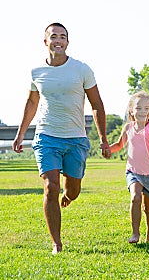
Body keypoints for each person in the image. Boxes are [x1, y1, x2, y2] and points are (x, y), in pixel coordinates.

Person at [12, 23, 110, 254]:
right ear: (45, 41)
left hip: (76, 138)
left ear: (68, 42)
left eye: (62, 37)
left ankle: (69, 194)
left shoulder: (81, 69)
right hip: (47, 136)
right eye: (53, 36)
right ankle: (56, 242)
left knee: (72, 189)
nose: (58, 40)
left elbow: (96, 105)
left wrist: (103, 138)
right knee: (50, 186)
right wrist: (20, 134)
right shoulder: (37, 72)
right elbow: (32, 103)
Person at [109, 91, 149, 244]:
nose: (142, 111)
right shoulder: (128, 128)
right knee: (135, 198)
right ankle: (135, 234)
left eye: (146, 108)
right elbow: (119, 145)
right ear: (131, 111)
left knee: (148, 206)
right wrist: (108, 149)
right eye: (138, 108)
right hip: (133, 171)